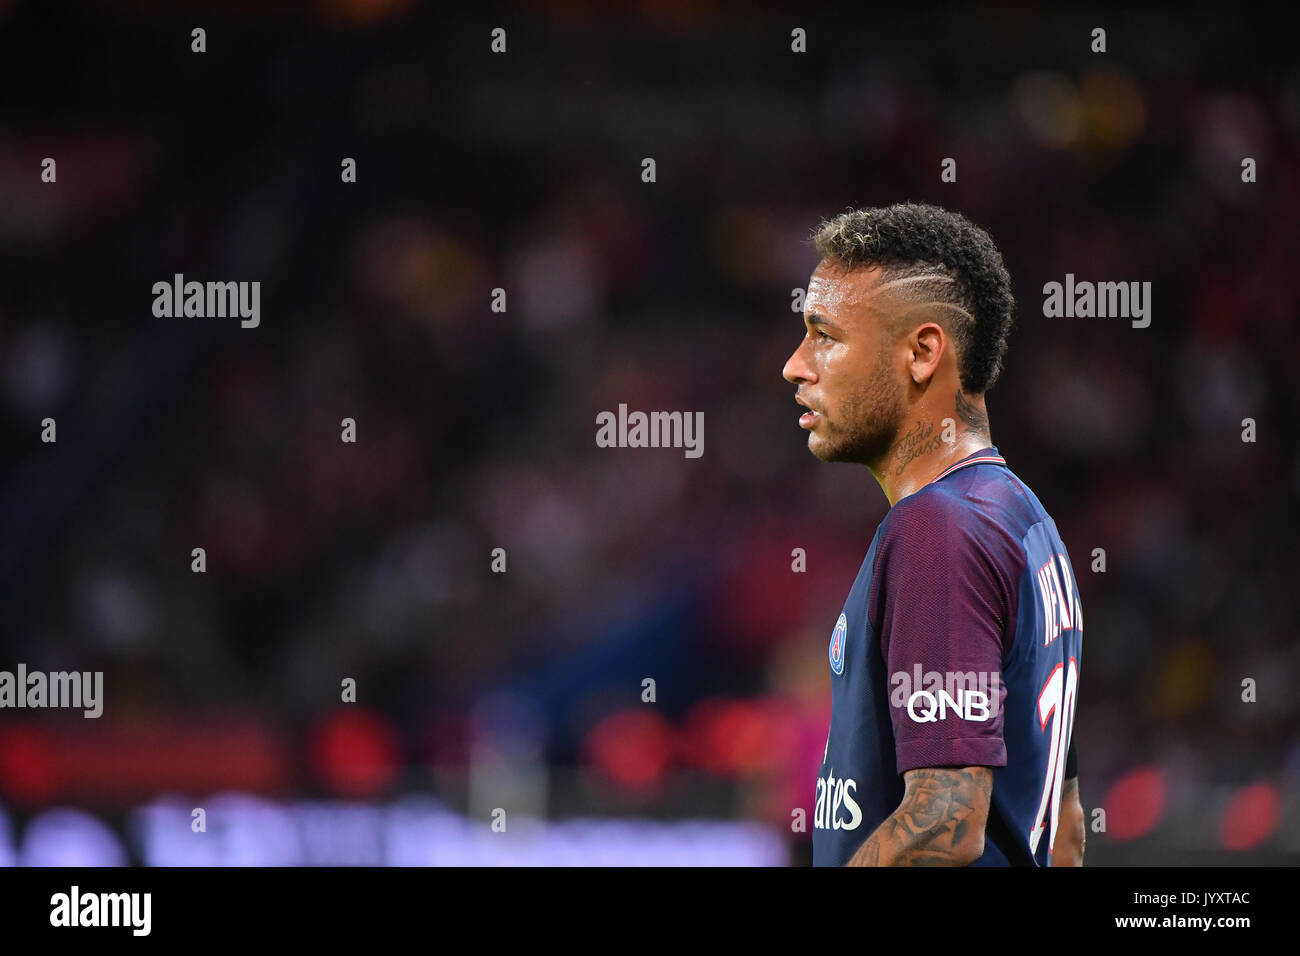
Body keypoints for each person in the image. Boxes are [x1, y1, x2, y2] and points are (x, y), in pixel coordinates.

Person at [784, 202, 1084, 866]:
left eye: (824, 335)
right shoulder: (1025, 522)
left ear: (922, 352)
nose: (796, 366)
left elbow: (943, 823)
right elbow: (1064, 828)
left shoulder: (937, 529)